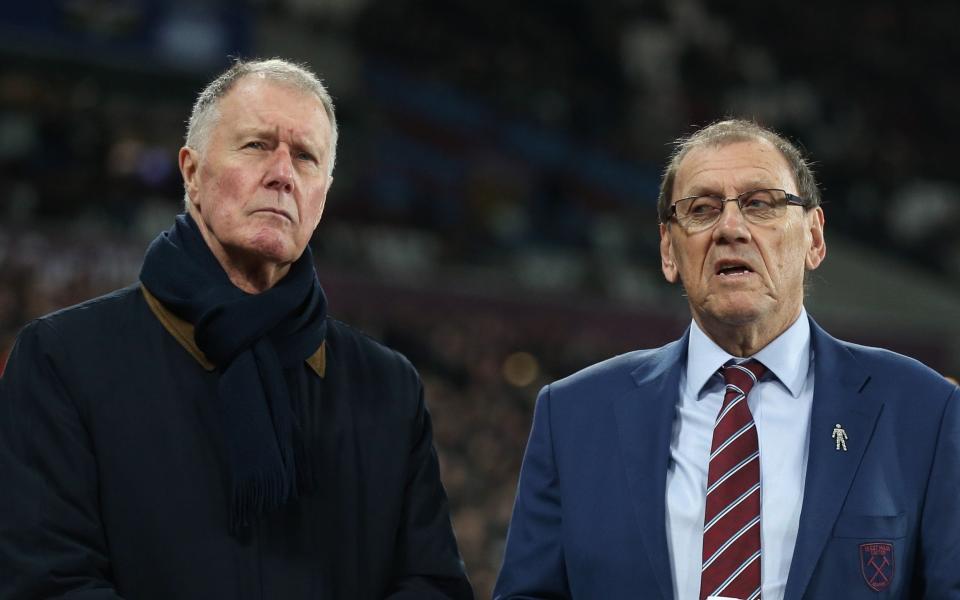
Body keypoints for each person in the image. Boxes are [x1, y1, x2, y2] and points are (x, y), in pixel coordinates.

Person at [0, 58, 473, 600]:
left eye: (305, 157)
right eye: (255, 146)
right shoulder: (64, 360)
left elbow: (433, 585)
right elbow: (47, 582)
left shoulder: (388, 388)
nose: (282, 173)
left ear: (323, 195)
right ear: (192, 171)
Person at [494, 119, 959, 599]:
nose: (730, 228)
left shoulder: (923, 409)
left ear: (814, 239)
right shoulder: (572, 414)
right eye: (701, 209)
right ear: (668, 251)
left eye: (760, 204)